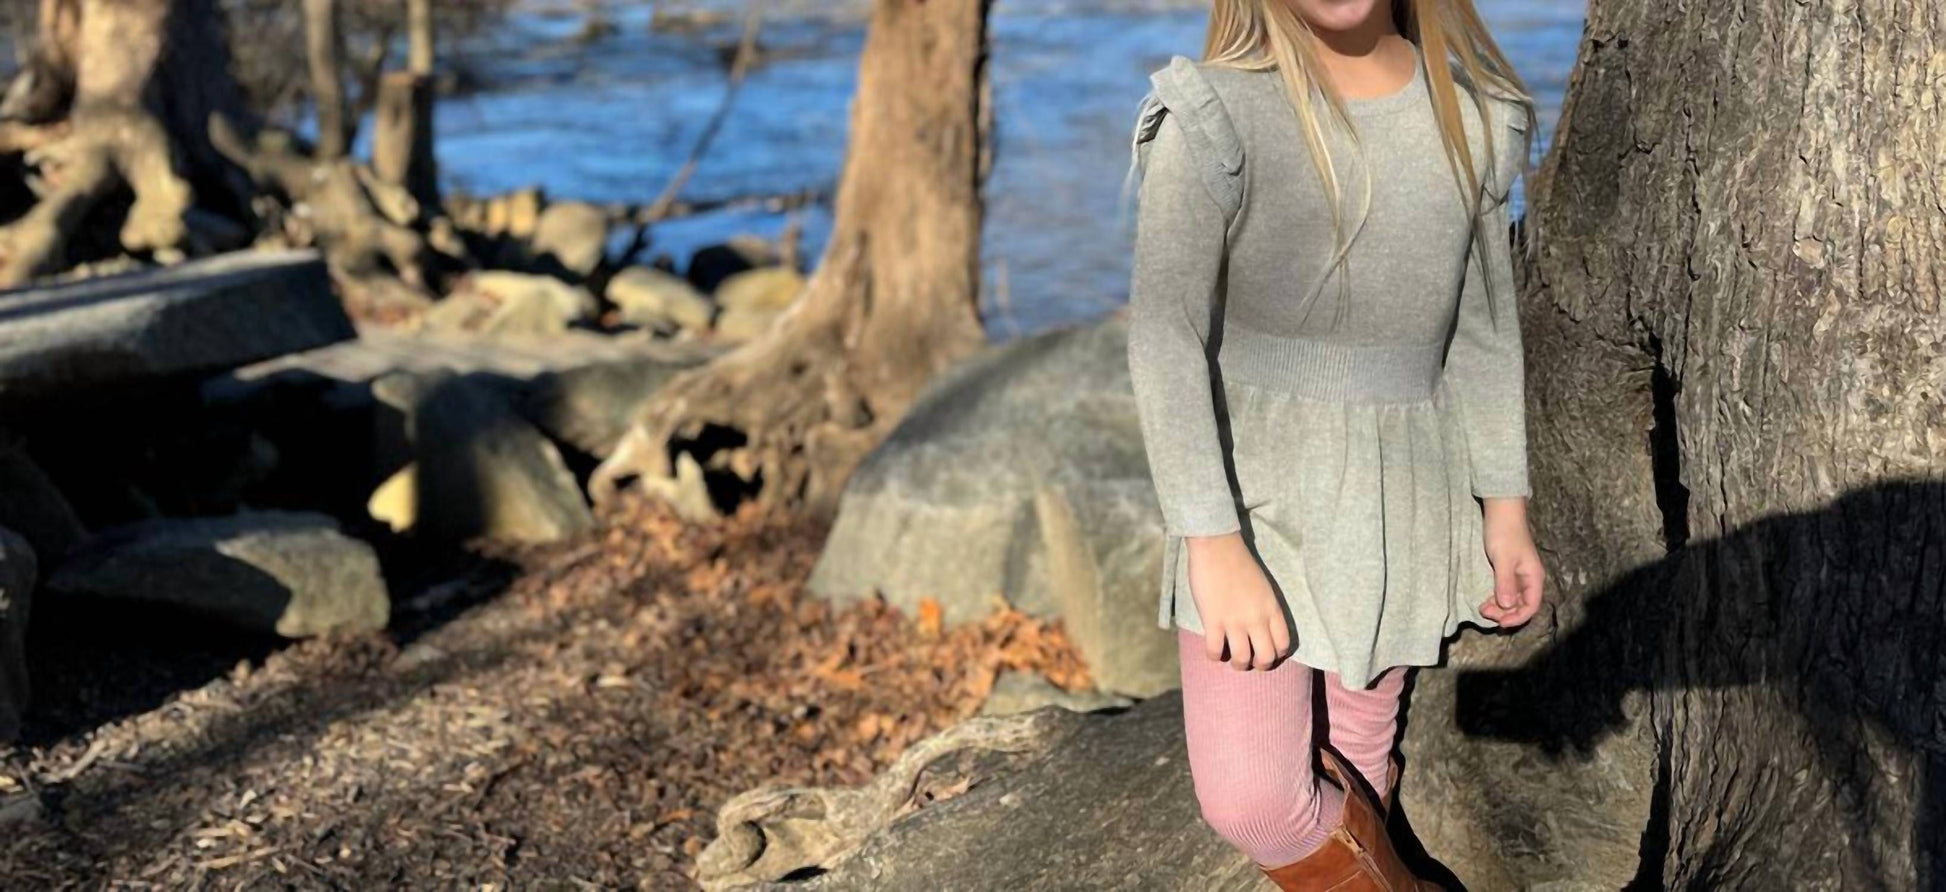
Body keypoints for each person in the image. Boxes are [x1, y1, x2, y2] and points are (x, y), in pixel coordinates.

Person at [1122, 0, 1549, 888]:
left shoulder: (1472, 120)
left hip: (1403, 502)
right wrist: (1213, 542)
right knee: (1255, 800)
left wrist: (1505, 509)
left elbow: (1483, 332)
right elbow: (1165, 338)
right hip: (1253, 506)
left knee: (1358, 761)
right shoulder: (1213, 118)